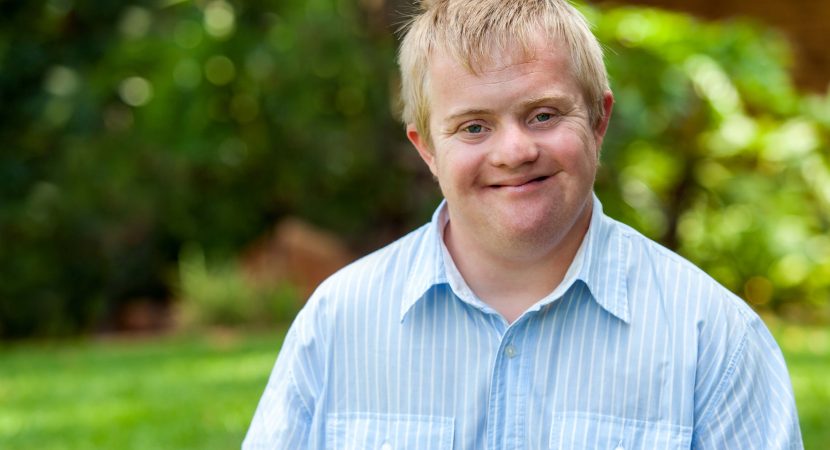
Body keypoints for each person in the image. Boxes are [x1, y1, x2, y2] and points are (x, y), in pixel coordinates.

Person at [243, 0, 803, 448]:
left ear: (599, 121)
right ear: (427, 148)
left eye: (543, 115)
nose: (514, 151)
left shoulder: (714, 338)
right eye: (473, 127)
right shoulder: (339, 322)